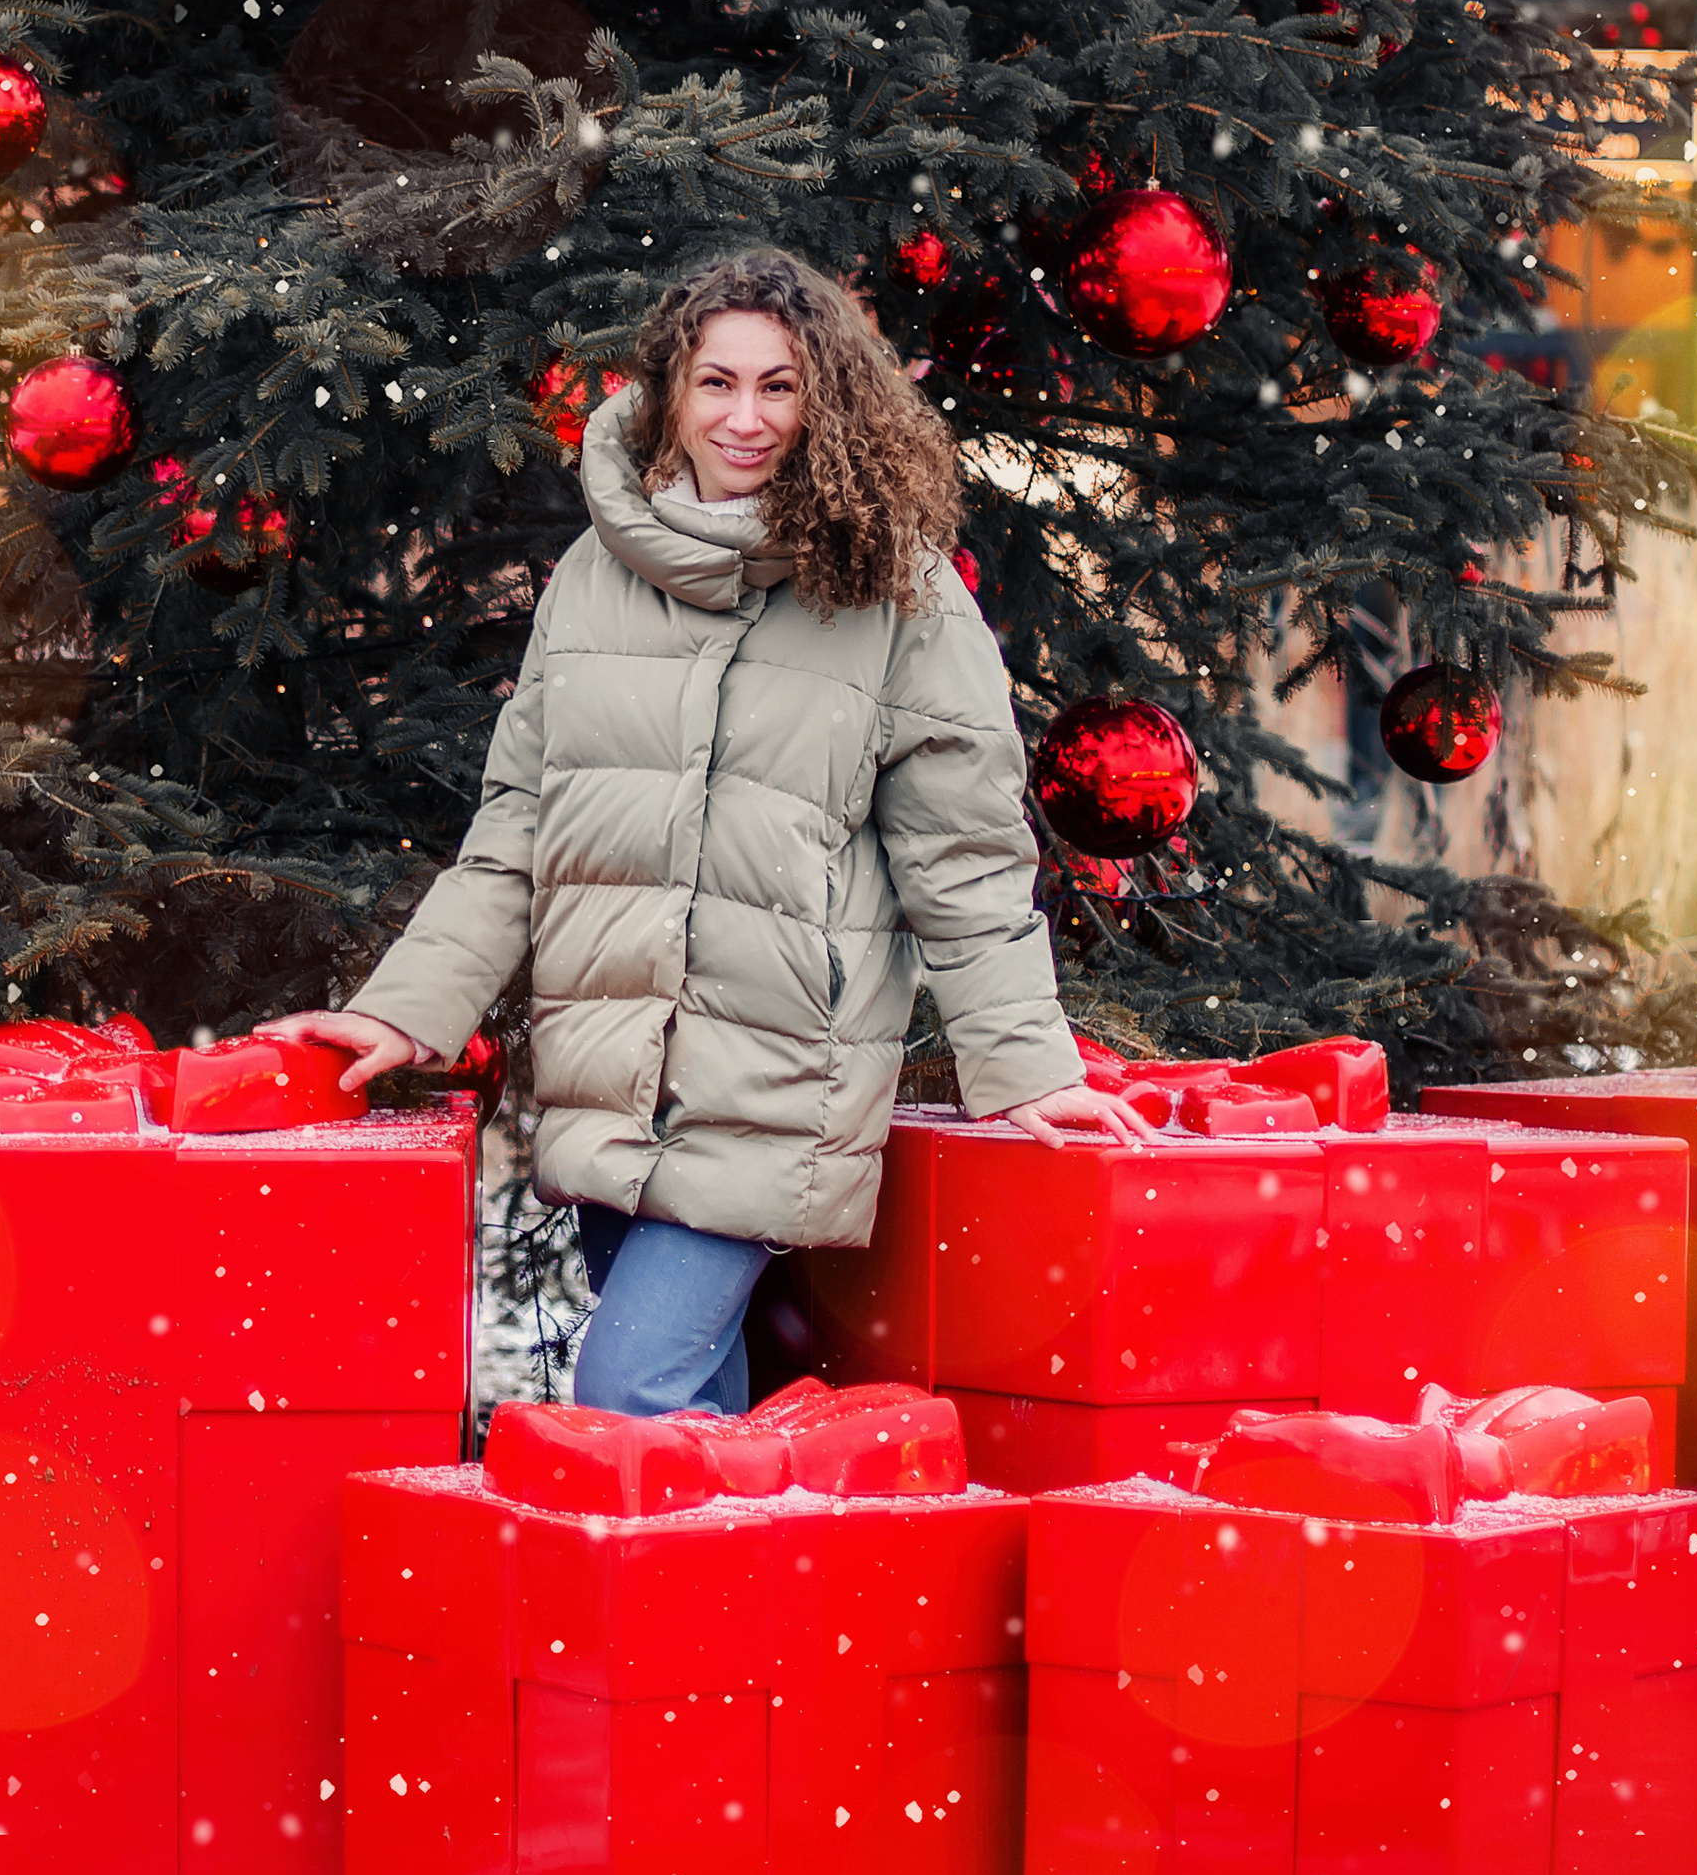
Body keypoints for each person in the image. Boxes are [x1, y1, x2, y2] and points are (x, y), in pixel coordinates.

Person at [264, 245, 1151, 1417]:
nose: (745, 417)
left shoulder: (901, 595)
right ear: (667, 391)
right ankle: (750, 1600)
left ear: (825, 400)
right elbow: (521, 823)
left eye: (778, 386)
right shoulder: (594, 572)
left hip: (778, 1077)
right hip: (602, 1068)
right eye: (716, 382)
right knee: (696, 1445)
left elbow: (966, 863)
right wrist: (406, 1005)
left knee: (626, 1398)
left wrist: (1024, 1065)